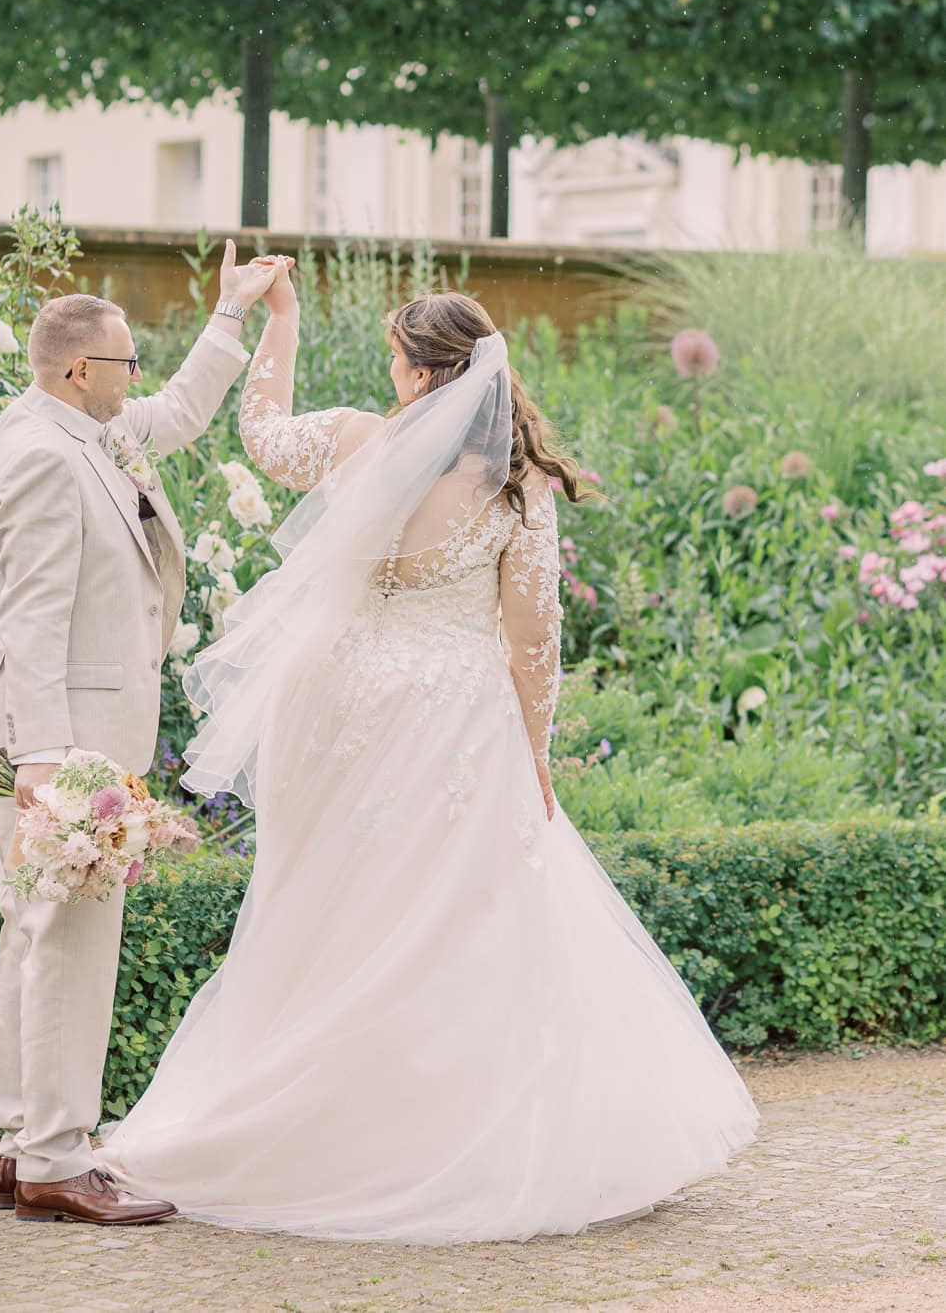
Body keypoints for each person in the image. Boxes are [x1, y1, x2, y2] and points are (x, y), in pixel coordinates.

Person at [95, 263, 760, 1243]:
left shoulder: (359, 443)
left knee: (323, 905)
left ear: (418, 371)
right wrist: (534, 753)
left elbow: (259, 432)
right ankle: (439, 1132)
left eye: (397, 359)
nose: (393, 374)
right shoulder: (514, 492)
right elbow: (534, 645)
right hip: (451, 710)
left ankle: (299, 1119)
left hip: (334, 704)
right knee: (453, 915)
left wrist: (278, 317)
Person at [0, 242, 277, 1226]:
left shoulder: (87, 429)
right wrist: (47, 762)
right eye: (124, 362)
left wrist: (229, 315)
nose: (136, 375)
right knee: (69, 940)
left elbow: (179, 411)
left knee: (36, 930)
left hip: (67, 734)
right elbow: (31, 613)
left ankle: (27, 1141)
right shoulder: (43, 459)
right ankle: (60, 1159)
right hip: (62, 742)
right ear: (75, 369)